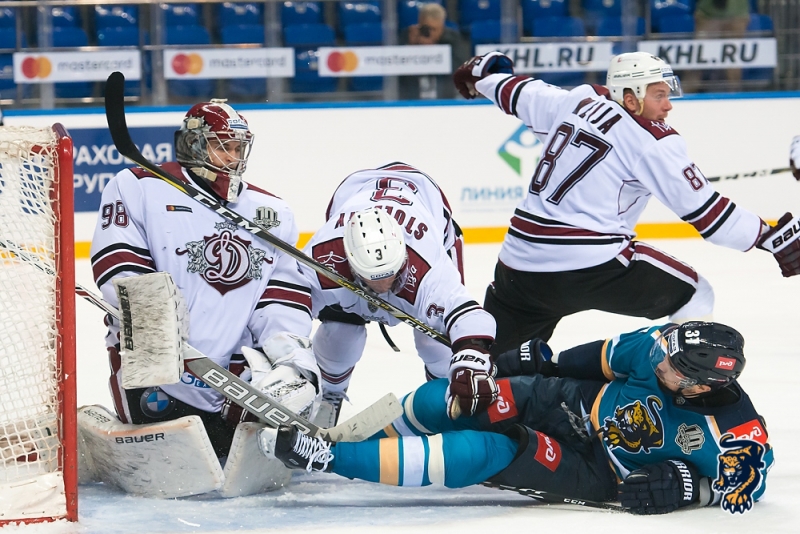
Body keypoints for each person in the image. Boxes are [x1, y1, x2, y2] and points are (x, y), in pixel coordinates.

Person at [449, 51, 800, 355]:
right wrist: (770, 236)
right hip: (590, 266)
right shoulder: (652, 141)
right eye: (659, 95)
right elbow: (711, 219)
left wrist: (487, 76)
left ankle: (463, 403)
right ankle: (676, 389)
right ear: (630, 98)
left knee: (493, 362)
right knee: (694, 295)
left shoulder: (578, 100)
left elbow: (519, 92)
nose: (668, 106)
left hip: (519, 266)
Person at [260, 321, 773, 516]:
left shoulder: (737, 431)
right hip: (569, 401)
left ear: (702, 386)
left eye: (670, 365)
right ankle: (357, 438)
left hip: (593, 468)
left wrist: (692, 488)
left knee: (485, 451)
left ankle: (331, 457)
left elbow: (748, 485)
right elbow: (595, 359)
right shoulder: (657, 345)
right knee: (451, 402)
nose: (658, 358)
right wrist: (531, 362)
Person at [89, 99, 320, 460]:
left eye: (237, 148)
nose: (232, 158)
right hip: (157, 365)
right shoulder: (139, 186)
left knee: (258, 432)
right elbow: (118, 261)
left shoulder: (273, 213)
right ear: (193, 144)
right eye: (222, 146)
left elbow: (281, 295)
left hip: (234, 375)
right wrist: (155, 314)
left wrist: (288, 350)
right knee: (170, 456)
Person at [299, 162, 497, 425]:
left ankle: (444, 405)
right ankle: (330, 395)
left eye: (390, 275)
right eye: (373, 278)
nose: (383, 289)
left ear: (403, 254)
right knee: (338, 334)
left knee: (436, 344)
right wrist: (286, 351)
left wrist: (469, 359)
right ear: (349, 259)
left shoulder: (427, 265)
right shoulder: (325, 253)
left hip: (426, 206)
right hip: (356, 198)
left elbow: (468, 314)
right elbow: (285, 303)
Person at [399, 3, 471, 100]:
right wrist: (410, 47)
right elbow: (396, 68)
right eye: (426, 28)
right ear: (419, 22)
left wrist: (436, 50)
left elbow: (460, 67)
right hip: (412, 97)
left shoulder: (453, 39)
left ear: (442, 25)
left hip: (445, 95)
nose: (430, 33)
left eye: (434, 29)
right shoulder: (408, 36)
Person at [683, 0, 752, 93]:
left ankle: (735, 98)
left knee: (733, 61)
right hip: (708, 15)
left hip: (737, 15)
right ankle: (684, 97)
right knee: (697, 59)